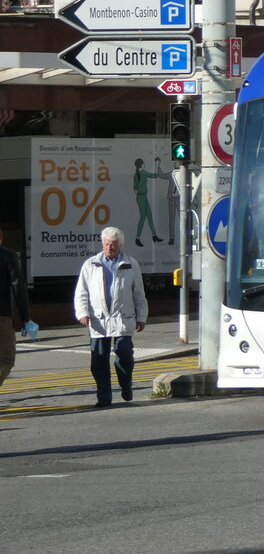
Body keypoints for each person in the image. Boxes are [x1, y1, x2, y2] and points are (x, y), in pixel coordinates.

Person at [74, 226, 148, 406]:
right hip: (98, 319)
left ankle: (125, 384)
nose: (109, 248)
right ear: (102, 244)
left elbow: (139, 293)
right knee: (98, 361)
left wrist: (142, 317)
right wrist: (83, 313)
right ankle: (104, 397)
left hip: (123, 317)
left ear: (120, 245)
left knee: (124, 354)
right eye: (107, 244)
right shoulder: (90, 264)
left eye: (113, 244)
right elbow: (81, 292)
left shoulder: (131, 264)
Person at [0, 229, 32, 389]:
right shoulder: (7, 256)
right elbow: (18, 286)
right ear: (1, 237)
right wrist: (25, 317)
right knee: (6, 359)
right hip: (2, 316)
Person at [132, 157, 163, 246]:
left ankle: (154, 235)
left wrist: (140, 194)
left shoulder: (135, 174)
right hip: (142, 197)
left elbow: (135, 188)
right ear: (141, 165)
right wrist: (157, 164)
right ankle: (137, 238)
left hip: (141, 197)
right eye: (144, 163)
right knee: (143, 217)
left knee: (149, 215)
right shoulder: (143, 173)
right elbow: (155, 176)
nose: (144, 164)